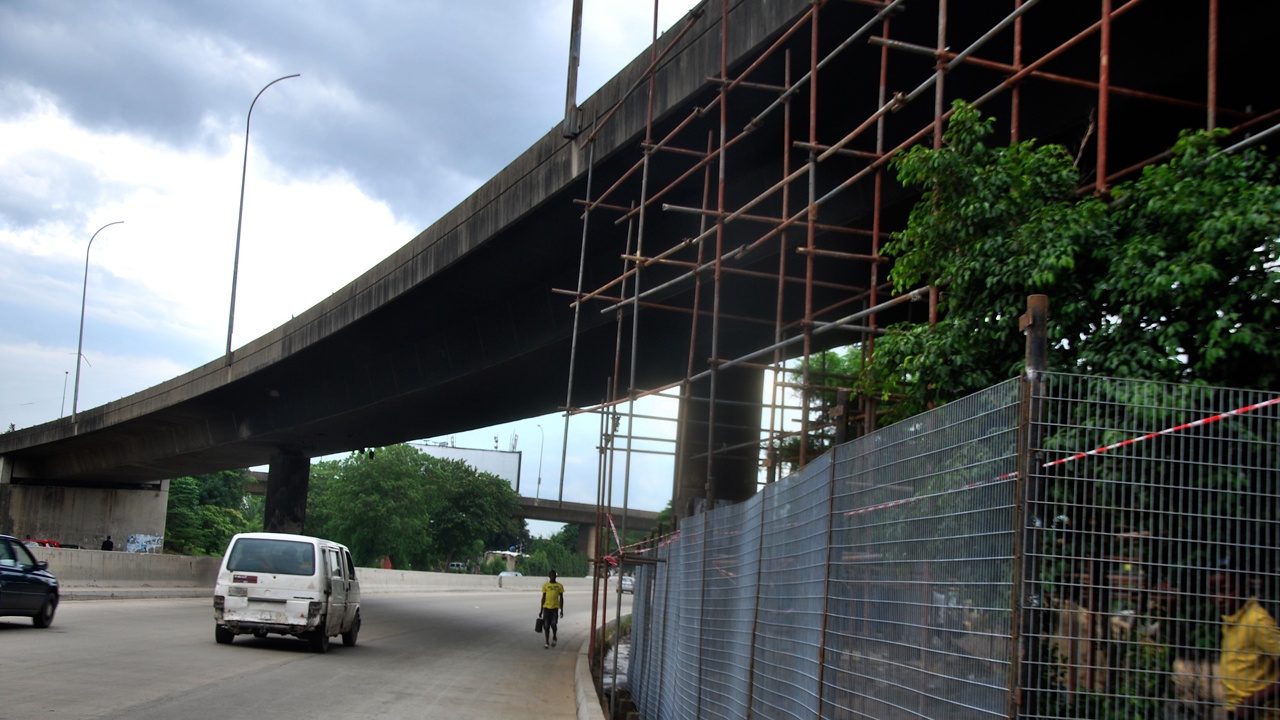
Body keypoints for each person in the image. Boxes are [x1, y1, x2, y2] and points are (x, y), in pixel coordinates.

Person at [1210, 562, 1280, 719]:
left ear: (1244, 588)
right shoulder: (1231, 619)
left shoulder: (1257, 620)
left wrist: (1255, 700)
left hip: (1258, 712)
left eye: (1227, 591)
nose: (1220, 599)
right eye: (1214, 592)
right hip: (1238, 709)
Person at [540, 570, 565, 649]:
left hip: (555, 608)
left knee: (553, 624)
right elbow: (543, 598)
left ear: (556, 576)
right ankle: (547, 642)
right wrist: (541, 610)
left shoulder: (559, 586)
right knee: (546, 626)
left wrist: (562, 610)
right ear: (549, 576)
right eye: (551, 575)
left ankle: (554, 635)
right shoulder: (545, 586)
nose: (553, 577)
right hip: (546, 608)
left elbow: (561, 598)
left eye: (554, 575)